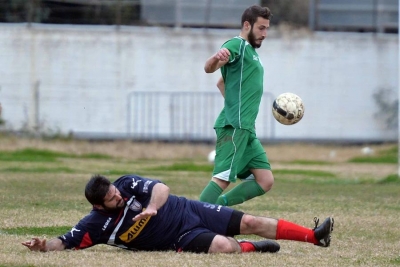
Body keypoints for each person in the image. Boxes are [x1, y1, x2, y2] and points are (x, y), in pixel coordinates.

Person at [22, 174, 334, 254]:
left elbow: (161, 187)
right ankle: (255, 248)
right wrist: (42, 246)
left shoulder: (125, 184)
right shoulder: (96, 225)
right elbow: (63, 243)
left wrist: (152, 208)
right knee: (225, 248)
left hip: (188, 208)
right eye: (112, 199)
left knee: (250, 221)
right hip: (180, 237)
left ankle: (313, 237)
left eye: (116, 192)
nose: (118, 195)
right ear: (99, 206)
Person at [199, 5, 276, 206]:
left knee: (265, 180)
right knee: (222, 177)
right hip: (235, 127)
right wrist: (216, 58)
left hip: (246, 128)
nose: (265, 33)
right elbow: (209, 68)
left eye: (267, 28)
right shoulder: (237, 45)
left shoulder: (251, 52)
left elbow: (221, 83)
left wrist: (237, 107)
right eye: (261, 28)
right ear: (247, 25)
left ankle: (218, 209)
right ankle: (192, 220)